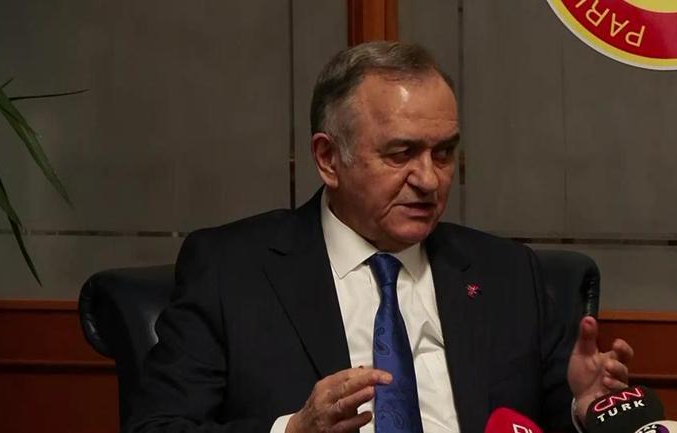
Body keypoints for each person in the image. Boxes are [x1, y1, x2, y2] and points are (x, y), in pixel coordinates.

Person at [126, 41, 633, 433]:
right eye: (400, 154)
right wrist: (294, 430)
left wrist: (583, 407)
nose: (429, 179)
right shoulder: (232, 271)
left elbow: (549, 415)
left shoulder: (506, 273)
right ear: (329, 158)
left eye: (443, 153)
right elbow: (157, 427)